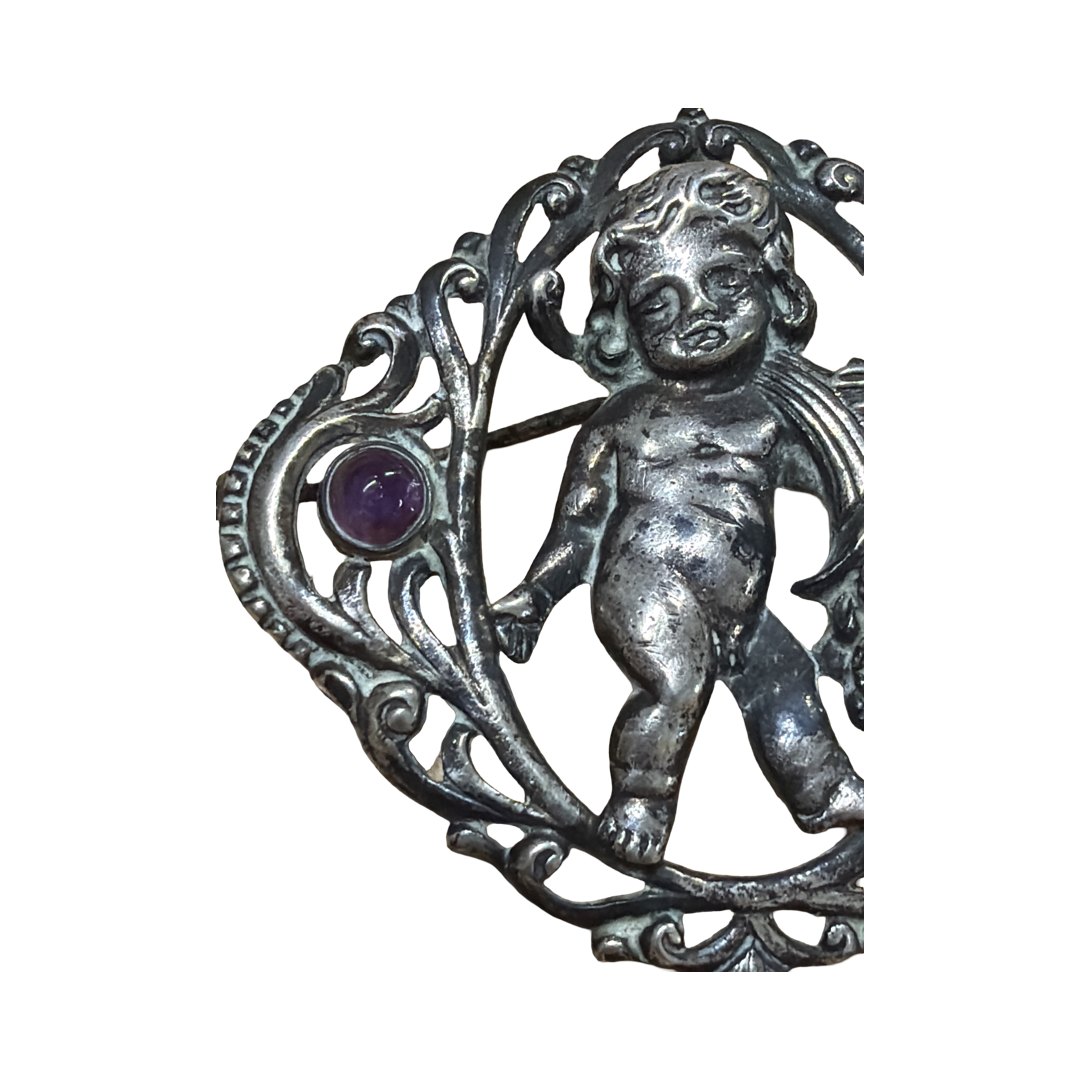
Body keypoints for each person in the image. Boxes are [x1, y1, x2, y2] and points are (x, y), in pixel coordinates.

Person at [491, 161, 863, 866]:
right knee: (675, 683)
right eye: (659, 305)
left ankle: (823, 791)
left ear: (776, 286)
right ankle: (641, 800)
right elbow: (577, 529)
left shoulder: (774, 414)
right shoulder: (624, 421)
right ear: (624, 327)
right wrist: (533, 599)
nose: (697, 315)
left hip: (741, 607)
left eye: (725, 282)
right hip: (644, 589)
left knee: (784, 678)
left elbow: (847, 485)